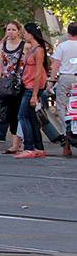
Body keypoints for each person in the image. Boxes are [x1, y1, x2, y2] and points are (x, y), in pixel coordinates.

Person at [15, 23, 49, 159]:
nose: (24, 34)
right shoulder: (31, 49)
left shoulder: (38, 50)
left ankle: (29, 147)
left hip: (32, 87)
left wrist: (34, 94)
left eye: (25, 32)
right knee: (31, 117)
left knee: (22, 116)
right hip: (27, 84)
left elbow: (39, 73)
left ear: (31, 33)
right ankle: (38, 147)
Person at [0, 21, 26, 154]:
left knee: (22, 113)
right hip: (7, 83)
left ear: (19, 31)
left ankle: (24, 141)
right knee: (11, 114)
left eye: (13, 29)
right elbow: (1, 65)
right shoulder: (2, 46)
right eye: (8, 29)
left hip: (21, 82)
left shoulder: (25, 46)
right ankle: (15, 143)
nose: (10, 32)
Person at [50, 21, 77, 156]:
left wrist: (51, 80)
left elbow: (56, 64)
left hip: (66, 78)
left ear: (68, 33)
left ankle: (67, 139)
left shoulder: (62, 46)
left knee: (63, 108)